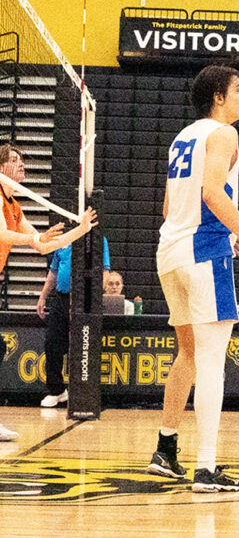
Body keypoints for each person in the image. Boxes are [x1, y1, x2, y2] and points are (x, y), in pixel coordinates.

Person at [146, 65, 239, 492]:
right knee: (212, 362)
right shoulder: (224, 135)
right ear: (218, 97)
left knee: (188, 353)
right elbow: (212, 193)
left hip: (170, 253)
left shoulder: (182, 137)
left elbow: (170, 209)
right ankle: (205, 468)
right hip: (203, 254)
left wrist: (228, 235)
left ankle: (165, 450)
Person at [0, 143, 96, 441]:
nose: (21, 165)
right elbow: (2, 233)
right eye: (13, 161)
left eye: (21, 160)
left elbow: (42, 245)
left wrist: (79, 230)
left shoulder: (15, 206)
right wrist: (37, 236)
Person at [35, 239, 111, 407]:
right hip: (61, 299)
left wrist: (94, 296)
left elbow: (105, 271)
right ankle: (57, 391)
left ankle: (84, 394)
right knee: (52, 342)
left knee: (83, 346)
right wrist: (43, 296)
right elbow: (53, 272)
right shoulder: (63, 240)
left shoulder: (98, 240)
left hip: (84, 299)